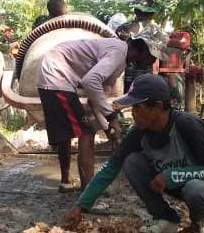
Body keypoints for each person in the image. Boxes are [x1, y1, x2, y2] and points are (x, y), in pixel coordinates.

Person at [63, 74, 204, 233]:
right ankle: (166, 219)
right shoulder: (138, 132)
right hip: (182, 185)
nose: (133, 113)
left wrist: (172, 175)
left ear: (158, 107)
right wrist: (80, 206)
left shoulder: (186, 124)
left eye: (138, 107)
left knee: (195, 189)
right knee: (131, 162)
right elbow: (110, 168)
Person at [38, 27, 165, 192]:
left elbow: (95, 100)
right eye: (153, 56)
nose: (153, 61)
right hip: (56, 75)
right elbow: (90, 82)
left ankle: (66, 181)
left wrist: (107, 129)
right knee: (86, 133)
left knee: (71, 131)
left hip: (54, 73)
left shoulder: (119, 59)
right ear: (143, 50)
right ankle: (89, 191)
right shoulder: (118, 53)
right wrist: (112, 118)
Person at [116, 0, 162, 92]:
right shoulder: (156, 31)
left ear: (135, 11)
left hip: (124, 74)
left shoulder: (123, 28)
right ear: (152, 14)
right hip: (144, 75)